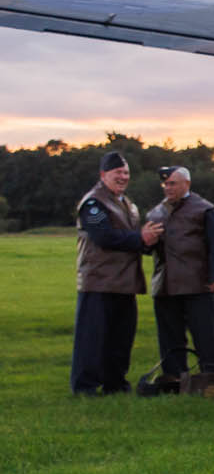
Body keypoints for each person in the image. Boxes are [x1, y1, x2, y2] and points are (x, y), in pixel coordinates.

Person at [72, 150, 160, 395]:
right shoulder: (94, 202)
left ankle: (116, 384)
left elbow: (131, 239)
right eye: (117, 172)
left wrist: (149, 242)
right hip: (98, 282)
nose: (123, 177)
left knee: (121, 340)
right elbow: (103, 237)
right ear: (103, 175)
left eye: (126, 172)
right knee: (92, 339)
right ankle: (85, 387)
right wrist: (140, 237)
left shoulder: (128, 204)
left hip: (125, 283)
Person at [145, 166, 214, 390]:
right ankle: (174, 381)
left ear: (187, 184)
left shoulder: (204, 210)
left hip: (197, 284)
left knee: (206, 336)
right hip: (165, 286)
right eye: (166, 184)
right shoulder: (156, 213)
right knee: (170, 339)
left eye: (173, 183)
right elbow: (146, 247)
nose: (168, 188)